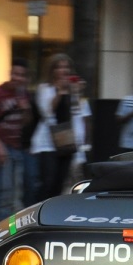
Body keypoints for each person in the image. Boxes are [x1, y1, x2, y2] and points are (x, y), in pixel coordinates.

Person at [0, 60, 35, 220]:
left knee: (15, 192)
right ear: (10, 73)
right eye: (15, 74)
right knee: (3, 190)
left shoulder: (23, 94)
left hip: (16, 146)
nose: (17, 78)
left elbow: (25, 122)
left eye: (21, 75)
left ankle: (10, 230)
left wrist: (26, 109)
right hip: (1, 146)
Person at [30, 53, 83, 201]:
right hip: (48, 142)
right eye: (59, 67)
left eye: (66, 67)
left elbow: (77, 112)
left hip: (67, 141)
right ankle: (36, 214)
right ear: (52, 70)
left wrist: (76, 92)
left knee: (60, 184)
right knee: (48, 182)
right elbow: (47, 113)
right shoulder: (44, 88)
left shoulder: (72, 90)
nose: (63, 70)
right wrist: (59, 92)